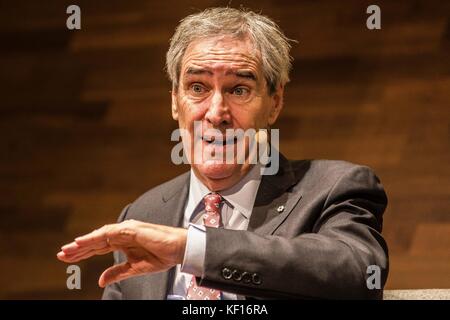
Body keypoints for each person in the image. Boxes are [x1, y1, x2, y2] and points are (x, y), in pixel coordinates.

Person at [57, 7, 388, 300]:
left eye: (239, 89)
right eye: (197, 88)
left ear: (275, 103)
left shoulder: (333, 188)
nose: (216, 113)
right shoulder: (143, 214)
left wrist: (193, 248)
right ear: (175, 101)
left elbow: (359, 274)